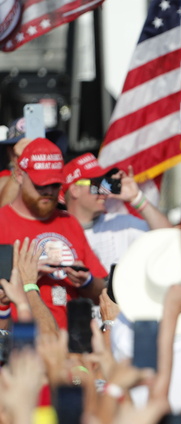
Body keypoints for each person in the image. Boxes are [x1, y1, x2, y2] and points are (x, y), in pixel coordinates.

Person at [0, 137, 106, 329]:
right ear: (20, 176)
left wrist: (86, 281)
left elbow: (103, 295)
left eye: (55, 184)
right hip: (19, 348)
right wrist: (24, 278)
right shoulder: (2, 222)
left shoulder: (69, 222)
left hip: (68, 348)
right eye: (41, 185)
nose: (48, 191)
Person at [61, 153, 171, 269]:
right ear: (75, 190)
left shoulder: (122, 224)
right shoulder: (55, 230)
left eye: (106, 184)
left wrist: (137, 198)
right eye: (97, 184)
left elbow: (169, 238)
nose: (104, 191)